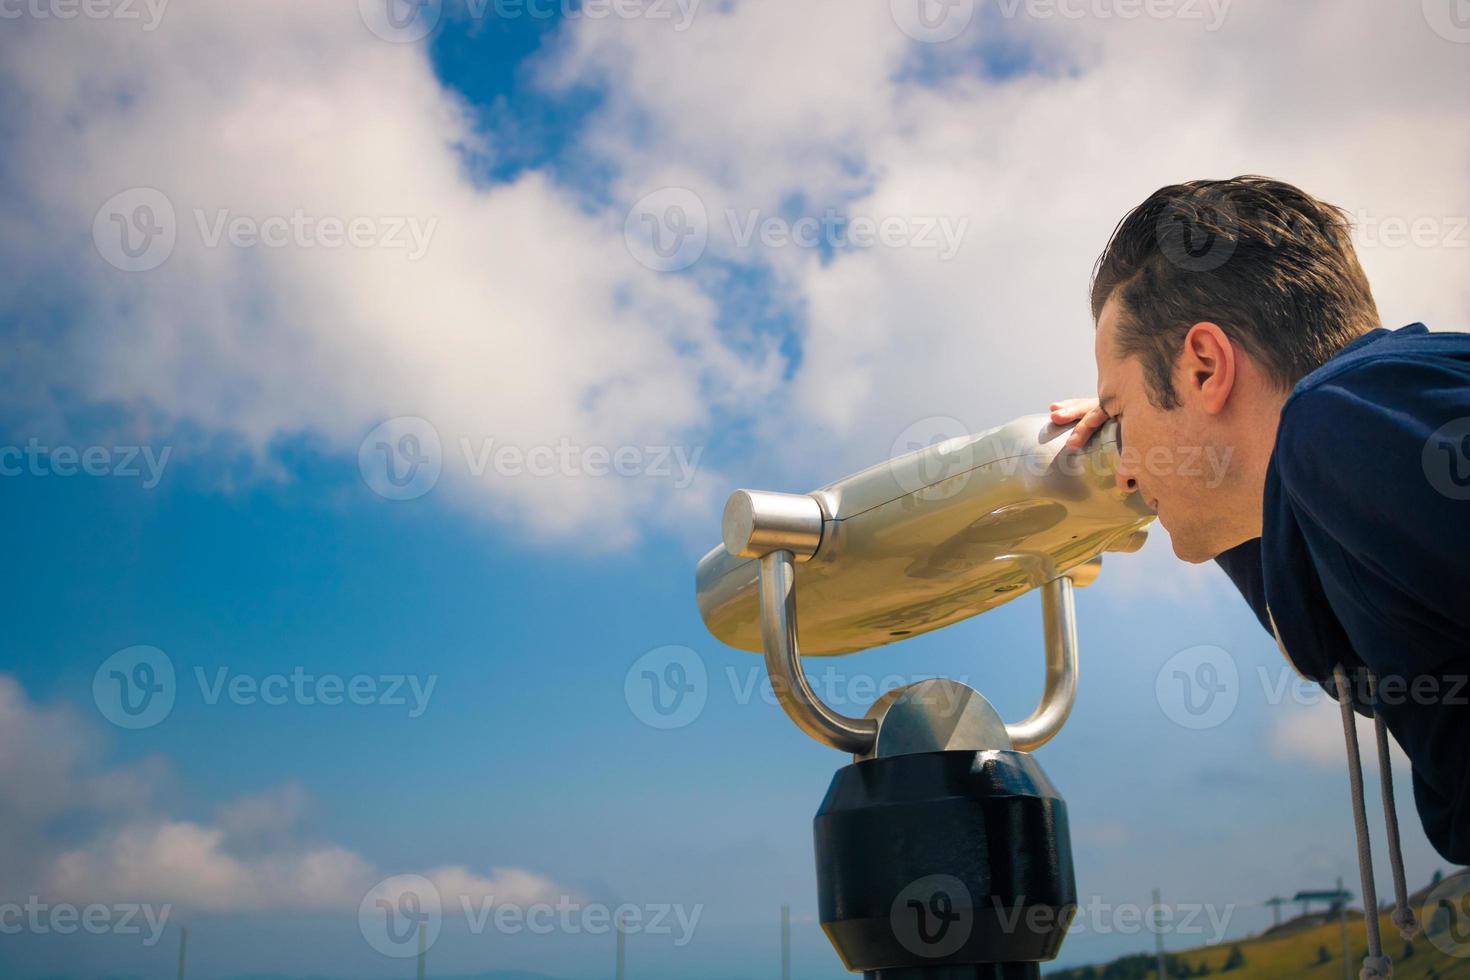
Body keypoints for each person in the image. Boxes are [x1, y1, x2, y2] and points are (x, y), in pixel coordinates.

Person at [1051, 176, 1469, 978]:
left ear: (1205, 366)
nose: (1125, 470)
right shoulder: (1360, 443)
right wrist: (1150, 424)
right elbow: (1330, 639)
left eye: (1119, 417)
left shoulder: (1343, 420)